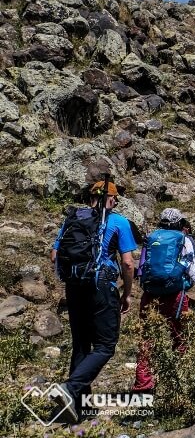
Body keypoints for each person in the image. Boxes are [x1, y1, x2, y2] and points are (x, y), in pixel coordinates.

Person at [49, 180, 138, 423]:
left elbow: (55, 255)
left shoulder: (73, 219)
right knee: (106, 346)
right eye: (116, 199)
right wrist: (127, 294)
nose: (117, 203)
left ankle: (79, 409)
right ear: (110, 198)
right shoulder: (119, 221)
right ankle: (70, 388)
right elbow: (128, 263)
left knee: (81, 345)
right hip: (102, 286)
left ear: (91, 198)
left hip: (74, 286)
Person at [132, 208, 195, 392]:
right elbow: (190, 267)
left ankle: (143, 383)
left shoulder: (152, 237)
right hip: (175, 294)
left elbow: (141, 267)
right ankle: (178, 381)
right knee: (179, 336)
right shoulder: (183, 239)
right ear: (180, 223)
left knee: (147, 338)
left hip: (150, 294)